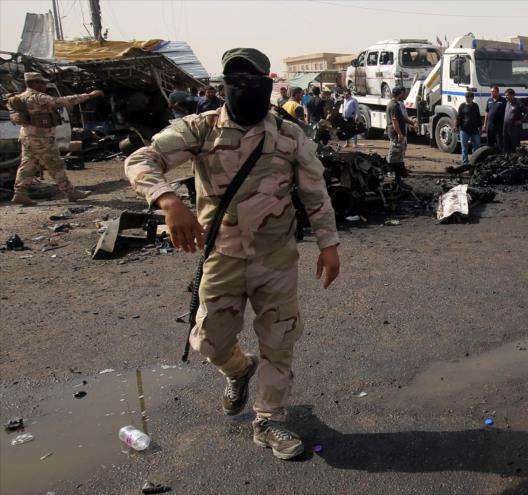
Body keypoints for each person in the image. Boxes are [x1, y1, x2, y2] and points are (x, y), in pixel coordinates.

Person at [124, 48, 341, 460]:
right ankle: (239, 370)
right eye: (234, 81)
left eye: (252, 81)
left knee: (280, 340)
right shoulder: (200, 129)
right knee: (209, 341)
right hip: (221, 256)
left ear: (267, 84)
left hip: (276, 258)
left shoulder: (289, 135)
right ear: (223, 85)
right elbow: (141, 160)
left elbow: (316, 193)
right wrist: (168, 200)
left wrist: (329, 245)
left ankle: (269, 420)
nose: (243, 88)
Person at [9, 72, 103, 206]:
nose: (44, 85)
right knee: (55, 165)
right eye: (41, 83)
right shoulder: (37, 97)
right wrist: (89, 95)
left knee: (28, 164)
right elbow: (62, 101)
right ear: (34, 83)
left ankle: (20, 193)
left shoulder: (22, 97)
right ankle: (71, 193)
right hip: (42, 139)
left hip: (27, 137)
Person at [386, 86, 415, 172]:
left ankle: (398, 170)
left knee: (399, 152)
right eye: (402, 93)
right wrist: (399, 134)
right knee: (394, 152)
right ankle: (390, 170)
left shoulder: (396, 104)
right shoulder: (394, 105)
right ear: (399, 94)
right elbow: (394, 121)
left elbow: (401, 118)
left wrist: (411, 123)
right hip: (396, 134)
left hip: (398, 132)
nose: (404, 95)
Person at [454, 91, 482, 166]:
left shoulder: (476, 106)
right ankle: (465, 162)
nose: (467, 98)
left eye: (469, 97)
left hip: (474, 130)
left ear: (472, 98)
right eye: (466, 97)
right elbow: (459, 117)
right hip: (464, 130)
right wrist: (456, 126)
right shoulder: (462, 106)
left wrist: (480, 127)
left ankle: (474, 161)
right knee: (464, 147)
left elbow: (478, 117)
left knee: (477, 145)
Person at [502, 88, 526, 153]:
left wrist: (521, 121)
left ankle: (514, 158)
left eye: (507, 95)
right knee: (506, 145)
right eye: (505, 95)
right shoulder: (507, 103)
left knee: (514, 146)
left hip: (514, 129)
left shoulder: (518, 103)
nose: (506, 97)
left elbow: (527, 113)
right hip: (506, 128)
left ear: (512, 95)